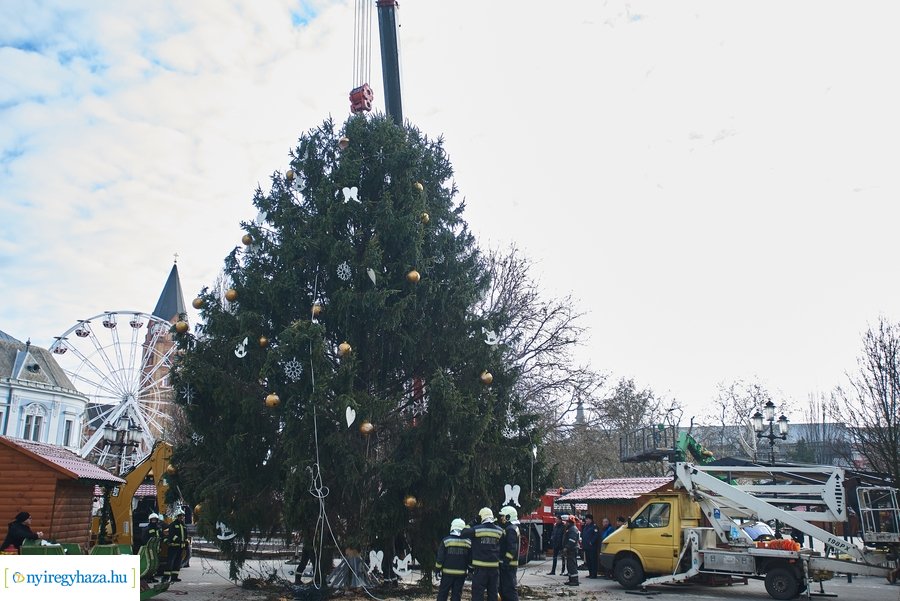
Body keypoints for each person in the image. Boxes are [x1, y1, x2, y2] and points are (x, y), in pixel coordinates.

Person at [461, 507, 504, 601]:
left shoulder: (476, 530)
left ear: (481, 518)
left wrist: (474, 521)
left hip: (480, 569)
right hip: (494, 569)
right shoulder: (499, 531)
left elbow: (463, 532)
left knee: (477, 595)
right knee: (493, 594)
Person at [435, 519, 471, 601]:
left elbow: (440, 558)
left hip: (447, 574)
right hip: (461, 574)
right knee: (456, 595)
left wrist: (437, 570)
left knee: (443, 594)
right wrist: (470, 570)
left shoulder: (446, 541)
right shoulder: (468, 542)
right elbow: (470, 559)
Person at [497, 507, 520, 601]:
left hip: (509, 565)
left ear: (508, 517)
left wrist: (505, 562)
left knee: (509, 590)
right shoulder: (512, 528)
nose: (501, 518)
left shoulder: (510, 529)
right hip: (509, 565)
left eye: (502, 516)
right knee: (504, 590)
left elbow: (512, 549)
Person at [162, 509, 187, 583]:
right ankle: (165, 578)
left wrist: (185, 543)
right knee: (170, 562)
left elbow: (185, 535)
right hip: (173, 546)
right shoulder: (173, 525)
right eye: (180, 516)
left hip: (180, 547)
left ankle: (174, 577)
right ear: (177, 517)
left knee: (177, 562)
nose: (182, 518)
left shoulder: (183, 525)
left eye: (183, 516)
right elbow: (172, 535)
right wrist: (179, 540)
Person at [580, 514, 600, 579]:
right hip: (586, 547)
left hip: (592, 547)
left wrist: (591, 542)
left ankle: (594, 574)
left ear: (591, 519)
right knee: (588, 561)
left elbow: (596, 535)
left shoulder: (594, 526)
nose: (586, 520)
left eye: (587, 519)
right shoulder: (586, 526)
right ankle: (590, 573)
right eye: (586, 519)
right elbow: (583, 535)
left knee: (593, 561)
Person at [564, 515, 581, 586]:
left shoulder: (573, 529)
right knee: (569, 565)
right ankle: (571, 579)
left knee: (572, 565)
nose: (566, 523)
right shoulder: (571, 528)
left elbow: (572, 540)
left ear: (570, 522)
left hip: (572, 549)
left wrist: (567, 547)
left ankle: (575, 581)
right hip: (570, 549)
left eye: (567, 522)